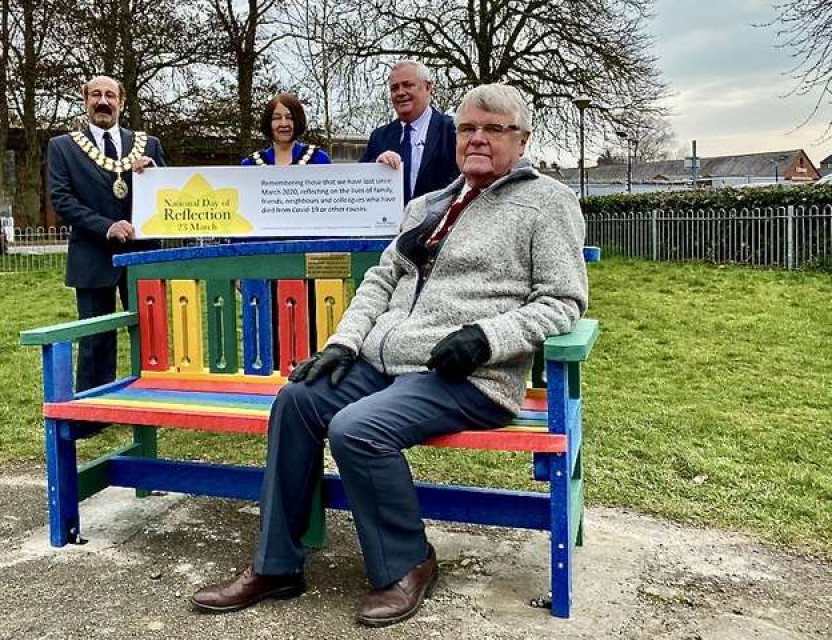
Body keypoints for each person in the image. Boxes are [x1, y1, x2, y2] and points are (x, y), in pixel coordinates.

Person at [192, 83, 589, 627]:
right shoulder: (428, 205)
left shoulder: (546, 203)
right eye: (468, 128)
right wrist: (342, 343)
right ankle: (276, 564)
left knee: (357, 428)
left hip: (468, 374)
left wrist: (487, 337)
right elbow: (380, 282)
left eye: (493, 129)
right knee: (297, 399)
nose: (477, 138)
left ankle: (408, 562)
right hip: (383, 361)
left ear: (520, 140)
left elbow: (563, 301)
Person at [47, 75, 166, 393]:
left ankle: (153, 396)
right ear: (85, 101)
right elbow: (62, 200)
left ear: (121, 102)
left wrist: (155, 173)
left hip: (143, 255)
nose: (103, 101)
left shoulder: (148, 145)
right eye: (96, 95)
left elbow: (169, 197)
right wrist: (106, 226)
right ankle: (94, 405)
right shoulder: (63, 147)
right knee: (95, 337)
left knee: (151, 333)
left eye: (110, 95)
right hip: (92, 254)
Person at [360, 60, 459, 205]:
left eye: (408, 85)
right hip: (389, 225)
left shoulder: (452, 130)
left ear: (428, 87)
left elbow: (462, 183)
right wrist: (376, 168)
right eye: (394, 88)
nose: (400, 93)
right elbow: (359, 184)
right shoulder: (379, 136)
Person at [241, 93, 332, 166]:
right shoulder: (250, 165)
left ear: (298, 121)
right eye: (277, 118)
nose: (284, 124)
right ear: (268, 122)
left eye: (289, 117)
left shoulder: (319, 159)